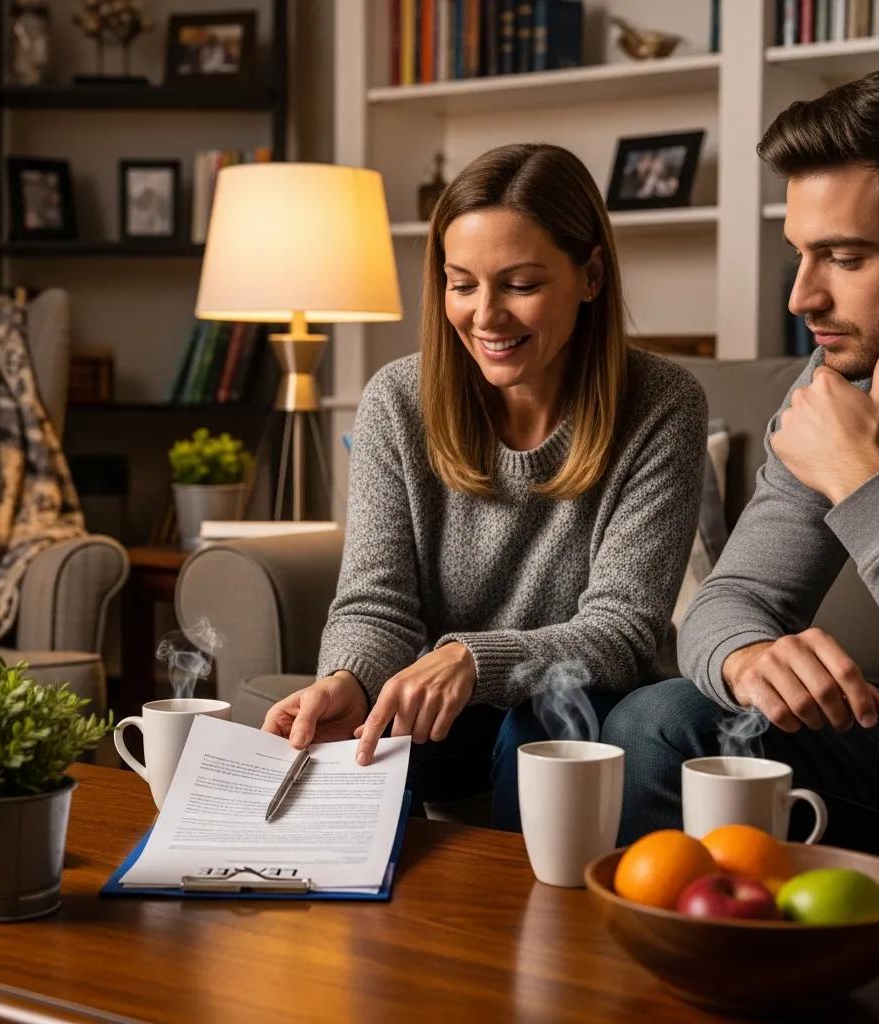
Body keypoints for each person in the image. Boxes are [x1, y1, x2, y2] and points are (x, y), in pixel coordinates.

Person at [262, 142, 708, 830]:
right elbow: (376, 603)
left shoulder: (663, 403)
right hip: (444, 709)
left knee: (538, 724)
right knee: (356, 739)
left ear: (590, 275)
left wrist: (473, 659)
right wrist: (347, 679)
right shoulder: (397, 401)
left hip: (583, 703)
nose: (485, 316)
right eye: (461, 284)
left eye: (520, 285)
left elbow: (622, 631)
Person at [602, 62, 879, 855]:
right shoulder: (829, 388)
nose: (802, 297)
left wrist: (861, 478)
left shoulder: (843, 429)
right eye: (800, 254)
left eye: (844, 258)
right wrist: (749, 658)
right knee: (657, 723)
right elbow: (734, 597)